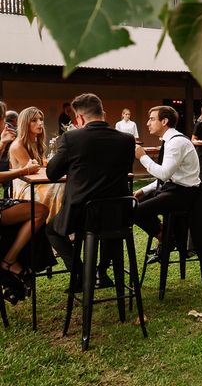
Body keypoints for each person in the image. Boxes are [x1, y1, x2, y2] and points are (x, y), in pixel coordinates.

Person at [46, 93, 135, 285]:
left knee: (51, 230)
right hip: (118, 213)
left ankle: (81, 273)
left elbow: (51, 173)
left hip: (81, 216)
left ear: (79, 118)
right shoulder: (127, 140)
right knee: (108, 225)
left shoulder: (71, 138)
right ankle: (100, 272)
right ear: (103, 113)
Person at [133, 106, 201, 262]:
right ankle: (166, 237)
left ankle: (166, 238)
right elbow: (168, 176)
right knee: (134, 202)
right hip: (174, 189)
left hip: (184, 194)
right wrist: (144, 190)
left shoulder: (175, 142)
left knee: (135, 210)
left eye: (152, 119)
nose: (147, 123)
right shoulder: (169, 140)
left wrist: (142, 157)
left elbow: (164, 174)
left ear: (164, 121)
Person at [0, 100, 47, 305]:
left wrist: (1, 144)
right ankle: (9, 260)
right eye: (3, 119)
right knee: (40, 211)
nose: (6, 124)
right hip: (20, 191)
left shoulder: (33, 142)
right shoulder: (18, 144)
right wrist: (23, 171)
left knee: (44, 206)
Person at [10, 107, 65, 225]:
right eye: (34, 120)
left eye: (41, 119)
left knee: (64, 186)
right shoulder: (17, 146)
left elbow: (42, 167)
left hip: (39, 182)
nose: (40, 123)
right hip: (26, 186)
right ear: (25, 123)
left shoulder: (36, 142)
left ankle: (61, 226)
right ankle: (55, 226)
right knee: (59, 188)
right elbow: (34, 174)